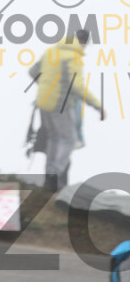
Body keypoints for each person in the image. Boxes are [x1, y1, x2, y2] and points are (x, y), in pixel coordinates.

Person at [33, 28, 103, 189]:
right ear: (84, 43)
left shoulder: (51, 51)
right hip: (60, 103)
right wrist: (98, 106)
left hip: (43, 102)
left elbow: (33, 71)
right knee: (69, 140)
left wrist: (46, 86)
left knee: (54, 139)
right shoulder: (73, 56)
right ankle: (53, 176)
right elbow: (78, 87)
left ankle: (50, 178)